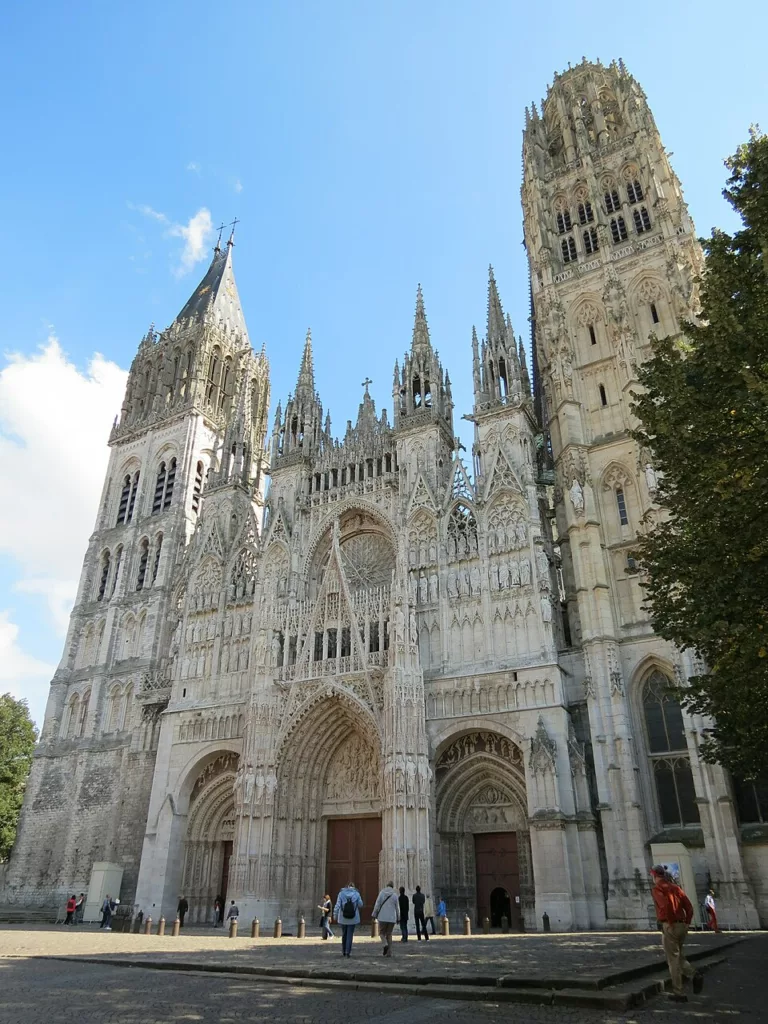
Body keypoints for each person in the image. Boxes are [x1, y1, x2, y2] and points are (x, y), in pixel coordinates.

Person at [650, 865, 703, 1002]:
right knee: (678, 955)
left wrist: (670, 923)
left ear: (654, 875)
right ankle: (694, 974)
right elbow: (689, 907)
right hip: (682, 926)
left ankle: (679, 992)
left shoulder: (657, 888)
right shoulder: (675, 887)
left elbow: (665, 905)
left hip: (670, 926)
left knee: (672, 960)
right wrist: (687, 923)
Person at [333, 881, 363, 958]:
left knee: (344, 934)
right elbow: (360, 904)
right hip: (353, 918)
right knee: (350, 935)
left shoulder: (341, 894)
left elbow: (337, 905)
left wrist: (335, 914)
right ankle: (347, 952)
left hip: (343, 917)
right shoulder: (356, 894)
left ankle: (343, 950)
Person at [372, 881, 399, 957]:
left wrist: (374, 914)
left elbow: (377, 904)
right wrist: (398, 917)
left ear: (386, 885)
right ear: (392, 886)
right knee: (389, 934)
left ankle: (385, 944)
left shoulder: (382, 893)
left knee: (381, 933)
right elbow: (397, 907)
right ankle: (389, 952)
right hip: (391, 918)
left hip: (382, 917)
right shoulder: (394, 895)